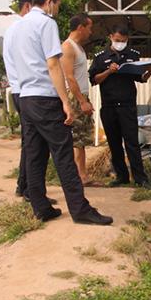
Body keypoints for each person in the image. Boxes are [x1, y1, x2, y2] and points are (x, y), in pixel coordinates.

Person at [10, 0, 112, 225]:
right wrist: (65, 102)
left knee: (34, 155)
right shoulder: (46, 23)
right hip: (45, 97)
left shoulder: (17, 27)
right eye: (57, 4)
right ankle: (80, 209)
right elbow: (54, 65)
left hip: (25, 97)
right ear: (49, 1)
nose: (57, 9)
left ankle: (41, 207)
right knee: (63, 153)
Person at [2, 0, 57, 205]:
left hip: (21, 91)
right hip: (30, 91)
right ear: (28, 6)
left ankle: (25, 187)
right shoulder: (27, 27)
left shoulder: (13, 30)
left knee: (31, 143)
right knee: (35, 146)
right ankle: (28, 190)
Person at [88, 24, 151, 188]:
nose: (120, 43)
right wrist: (108, 71)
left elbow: (142, 78)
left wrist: (149, 71)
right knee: (114, 143)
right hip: (109, 106)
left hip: (127, 106)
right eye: (118, 40)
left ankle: (140, 178)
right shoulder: (101, 57)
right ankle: (121, 176)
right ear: (111, 37)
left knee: (132, 143)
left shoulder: (132, 55)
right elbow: (94, 80)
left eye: (124, 41)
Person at [60, 13, 96, 185]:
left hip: (81, 95)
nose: (91, 32)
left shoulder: (78, 47)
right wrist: (82, 101)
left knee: (81, 139)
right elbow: (69, 77)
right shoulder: (67, 47)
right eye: (89, 28)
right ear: (80, 27)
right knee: (77, 138)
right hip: (75, 97)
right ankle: (79, 177)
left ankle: (82, 175)